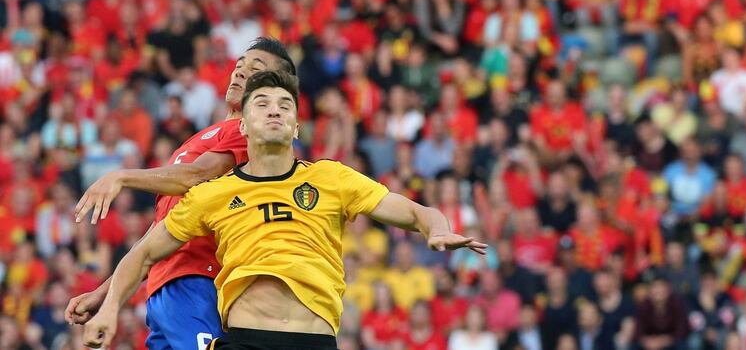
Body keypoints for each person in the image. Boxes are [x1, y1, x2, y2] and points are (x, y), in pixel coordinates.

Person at [81, 71, 487, 349]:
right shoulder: (214, 194)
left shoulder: (331, 178)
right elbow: (144, 253)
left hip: (315, 339)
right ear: (241, 125)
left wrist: (438, 228)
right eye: (261, 103)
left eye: (283, 105)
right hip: (244, 337)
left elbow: (417, 212)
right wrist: (111, 307)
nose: (274, 110)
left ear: (296, 127)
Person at [64, 38, 297, 350]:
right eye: (240, 65)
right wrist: (106, 292)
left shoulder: (249, 133)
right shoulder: (204, 136)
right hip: (162, 289)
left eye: (256, 70)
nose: (241, 73)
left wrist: (122, 176)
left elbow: (197, 175)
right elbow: (162, 225)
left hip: (199, 281)